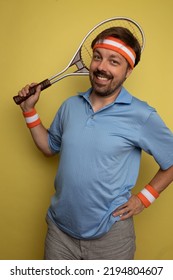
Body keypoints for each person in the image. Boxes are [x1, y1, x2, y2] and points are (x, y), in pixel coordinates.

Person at [17, 26, 173, 260]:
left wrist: (144, 198)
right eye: (98, 57)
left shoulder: (142, 115)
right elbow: (50, 147)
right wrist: (29, 111)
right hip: (59, 234)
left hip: (112, 239)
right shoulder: (70, 106)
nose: (102, 67)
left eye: (114, 61)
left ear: (128, 71)